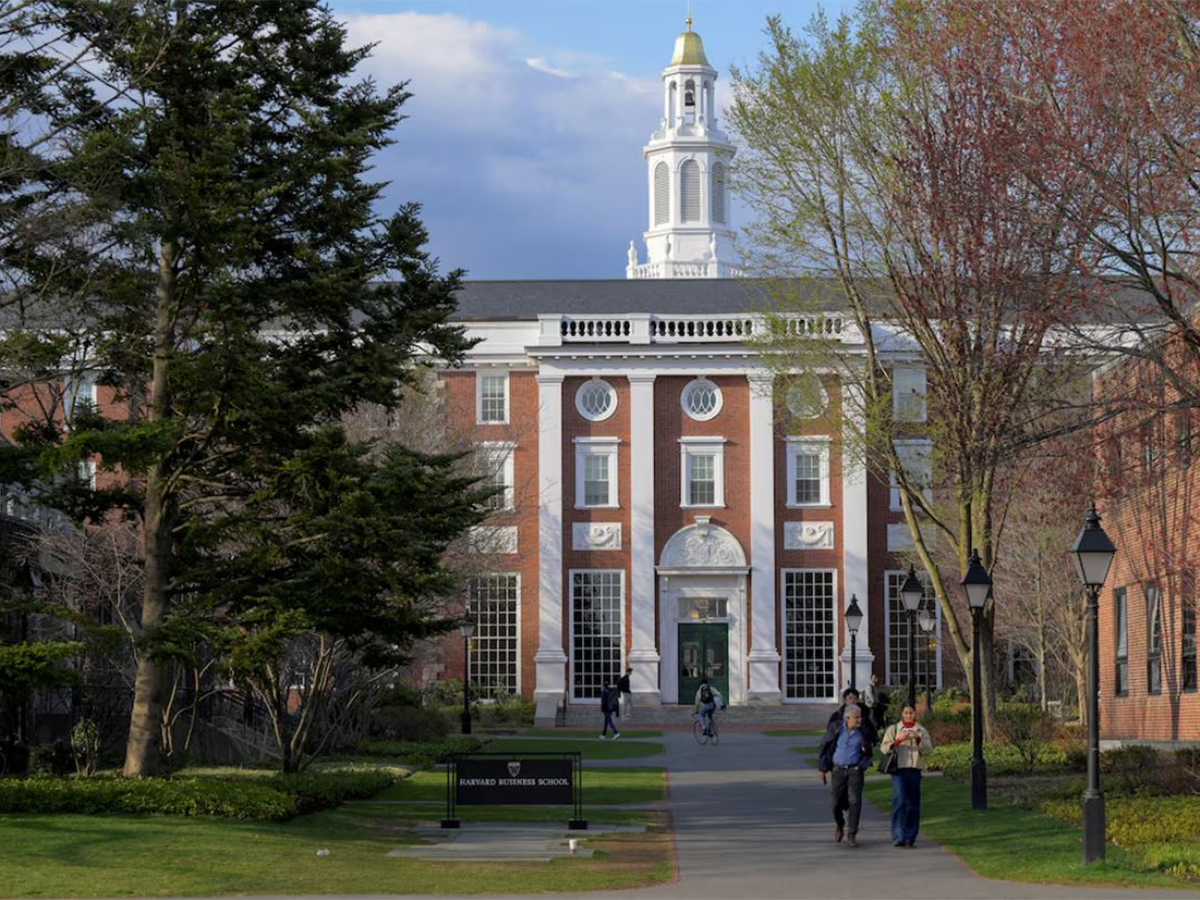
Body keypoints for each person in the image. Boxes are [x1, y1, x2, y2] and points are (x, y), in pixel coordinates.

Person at [817, 704, 873, 847]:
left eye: (860, 717)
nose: (860, 720)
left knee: (855, 801)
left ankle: (852, 834)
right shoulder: (836, 729)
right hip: (838, 770)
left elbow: (869, 755)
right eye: (857, 717)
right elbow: (826, 748)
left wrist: (859, 767)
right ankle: (840, 824)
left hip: (854, 771)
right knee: (835, 803)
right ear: (847, 718)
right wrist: (823, 768)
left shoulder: (863, 732)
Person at [881, 704, 933, 847]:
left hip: (914, 769)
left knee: (913, 803)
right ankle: (898, 835)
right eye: (906, 713)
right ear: (902, 714)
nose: (908, 716)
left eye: (911, 713)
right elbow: (884, 748)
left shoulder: (921, 730)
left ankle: (910, 836)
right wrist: (898, 740)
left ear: (915, 714)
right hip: (899, 769)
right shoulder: (894, 729)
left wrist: (918, 740)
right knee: (900, 801)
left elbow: (929, 749)